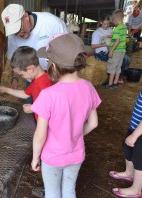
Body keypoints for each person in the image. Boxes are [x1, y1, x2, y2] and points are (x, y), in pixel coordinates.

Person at [31, 33, 101, 198]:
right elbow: (93, 123)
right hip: (76, 154)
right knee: (69, 190)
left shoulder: (48, 95)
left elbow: (40, 135)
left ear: (53, 66)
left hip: (52, 157)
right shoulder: (88, 87)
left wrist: (35, 158)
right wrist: (74, 135)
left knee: (52, 193)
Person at [1, 4, 66, 93]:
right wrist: (15, 79)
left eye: (20, 29)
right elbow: (16, 60)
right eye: (15, 33)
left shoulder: (52, 23)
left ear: (25, 16)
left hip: (56, 78)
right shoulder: (13, 36)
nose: (19, 35)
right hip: (32, 79)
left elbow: (65, 54)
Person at [0, 46, 53, 121]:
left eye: (21, 74)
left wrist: (33, 108)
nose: (22, 77)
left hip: (47, 125)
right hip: (41, 122)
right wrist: (6, 90)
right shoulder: (37, 80)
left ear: (30, 69)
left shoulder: (44, 84)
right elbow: (25, 94)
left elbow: (51, 106)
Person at [109, 90, 142, 198]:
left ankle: (136, 189)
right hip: (136, 127)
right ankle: (129, 173)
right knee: (127, 148)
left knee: (139, 159)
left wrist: (135, 135)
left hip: (139, 131)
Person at [91, 15, 130, 84]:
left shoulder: (111, 30)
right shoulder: (97, 32)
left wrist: (110, 38)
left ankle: (115, 77)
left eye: (108, 24)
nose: (106, 25)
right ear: (101, 22)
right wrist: (105, 44)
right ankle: (112, 78)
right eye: (104, 24)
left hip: (111, 51)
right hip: (101, 53)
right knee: (117, 61)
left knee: (126, 59)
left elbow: (115, 39)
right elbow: (93, 46)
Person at [104, 9, 128, 89]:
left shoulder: (117, 28)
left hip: (116, 51)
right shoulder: (124, 27)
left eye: (113, 21)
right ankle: (115, 83)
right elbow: (120, 37)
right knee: (118, 67)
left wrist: (111, 50)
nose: (113, 23)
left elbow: (117, 40)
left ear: (116, 19)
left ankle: (110, 84)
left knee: (112, 66)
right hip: (122, 51)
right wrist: (110, 36)